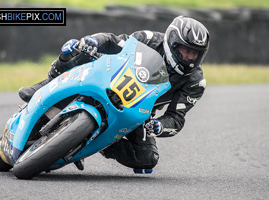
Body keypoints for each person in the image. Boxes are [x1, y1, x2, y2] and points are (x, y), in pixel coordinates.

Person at [18, 15, 210, 172]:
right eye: (186, 50)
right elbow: (113, 41)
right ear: (173, 43)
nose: (190, 58)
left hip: (139, 113)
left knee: (148, 158)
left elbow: (176, 118)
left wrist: (159, 126)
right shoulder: (150, 39)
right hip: (109, 80)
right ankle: (43, 86)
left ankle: (101, 145)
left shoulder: (195, 82)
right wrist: (93, 41)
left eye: (195, 53)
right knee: (77, 49)